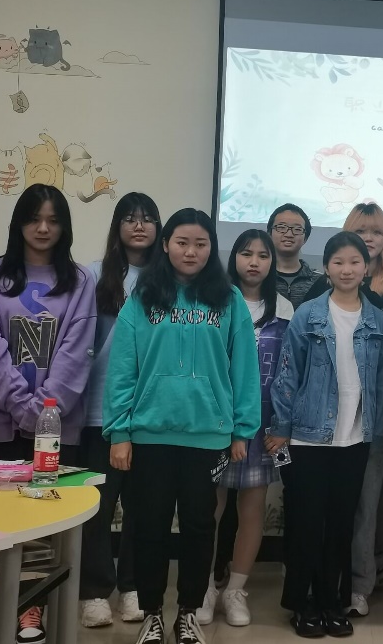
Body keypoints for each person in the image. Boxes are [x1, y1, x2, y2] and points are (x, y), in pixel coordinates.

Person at [104, 208, 262, 644]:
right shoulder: (143, 297)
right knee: (149, 526)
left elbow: (244, 370)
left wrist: (242, 430)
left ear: (212, 248)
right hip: (149, 434)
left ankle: (189, 613)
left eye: (201, 244)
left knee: (199, 526)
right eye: (182, 242)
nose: (191, 252)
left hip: (207, 436)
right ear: (166, 245)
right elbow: (123, 369)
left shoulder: (228, 299)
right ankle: (153, 614)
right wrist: (119, 431)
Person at [0, 183, 97, 644]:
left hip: (56, 432)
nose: (43, 228)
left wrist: (45, 415)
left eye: (53, 220)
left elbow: (77, 353)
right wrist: (27, 408)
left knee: (43, 520)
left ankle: (31, 609)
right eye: (34, 218)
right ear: (19, 223)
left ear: (65, 227)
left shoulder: (80, 281)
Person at [266, 232, 383, 638]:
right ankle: (301, 603)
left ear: (366, 268)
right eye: (338, 262)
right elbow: (287, 375)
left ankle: (331, 602)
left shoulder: (378, 321)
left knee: (340, 525)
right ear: (326, 268)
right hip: (307, 438)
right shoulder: (308, 315)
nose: (347, 269)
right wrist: (281, 429)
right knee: (306, 523)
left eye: (355, 262)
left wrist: (378, 432)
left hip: (354, 440)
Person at [302, 203, 383, 616]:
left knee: (366, 506)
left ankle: (360, 584)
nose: (369, 238)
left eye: (376, 232)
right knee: (323, 509)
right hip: (321, 423)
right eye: (361, 231)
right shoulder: (317, 298)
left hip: (372, 419)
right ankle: (316, 588)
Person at [197, 230, 294, 627]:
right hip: (216, 421)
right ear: (233, 257)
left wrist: (282, 424)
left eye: (262, 255)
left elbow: (289, 374)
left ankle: (236, 590)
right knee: (209, 509)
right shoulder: (213, 299)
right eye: (246, 253)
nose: (254, 262)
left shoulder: (285, 308)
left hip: (265, 426)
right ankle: (204, 587)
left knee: (252, 508)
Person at [79, 193, 161, 629]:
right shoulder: (93, 274)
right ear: (118, 226)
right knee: (98, 503)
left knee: (143, 506)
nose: (139, 225)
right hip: (101, 407)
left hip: (152, 410)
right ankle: (94, 591)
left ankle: (134, 587)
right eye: (129, 218)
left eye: (147, 219)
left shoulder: (169, 277)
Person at [267, 203, 321, 308]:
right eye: (281, 227)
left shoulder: (319, 281)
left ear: (305, 238)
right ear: (270, 233)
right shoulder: (260, 276)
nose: (289, 234)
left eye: (297, 229)